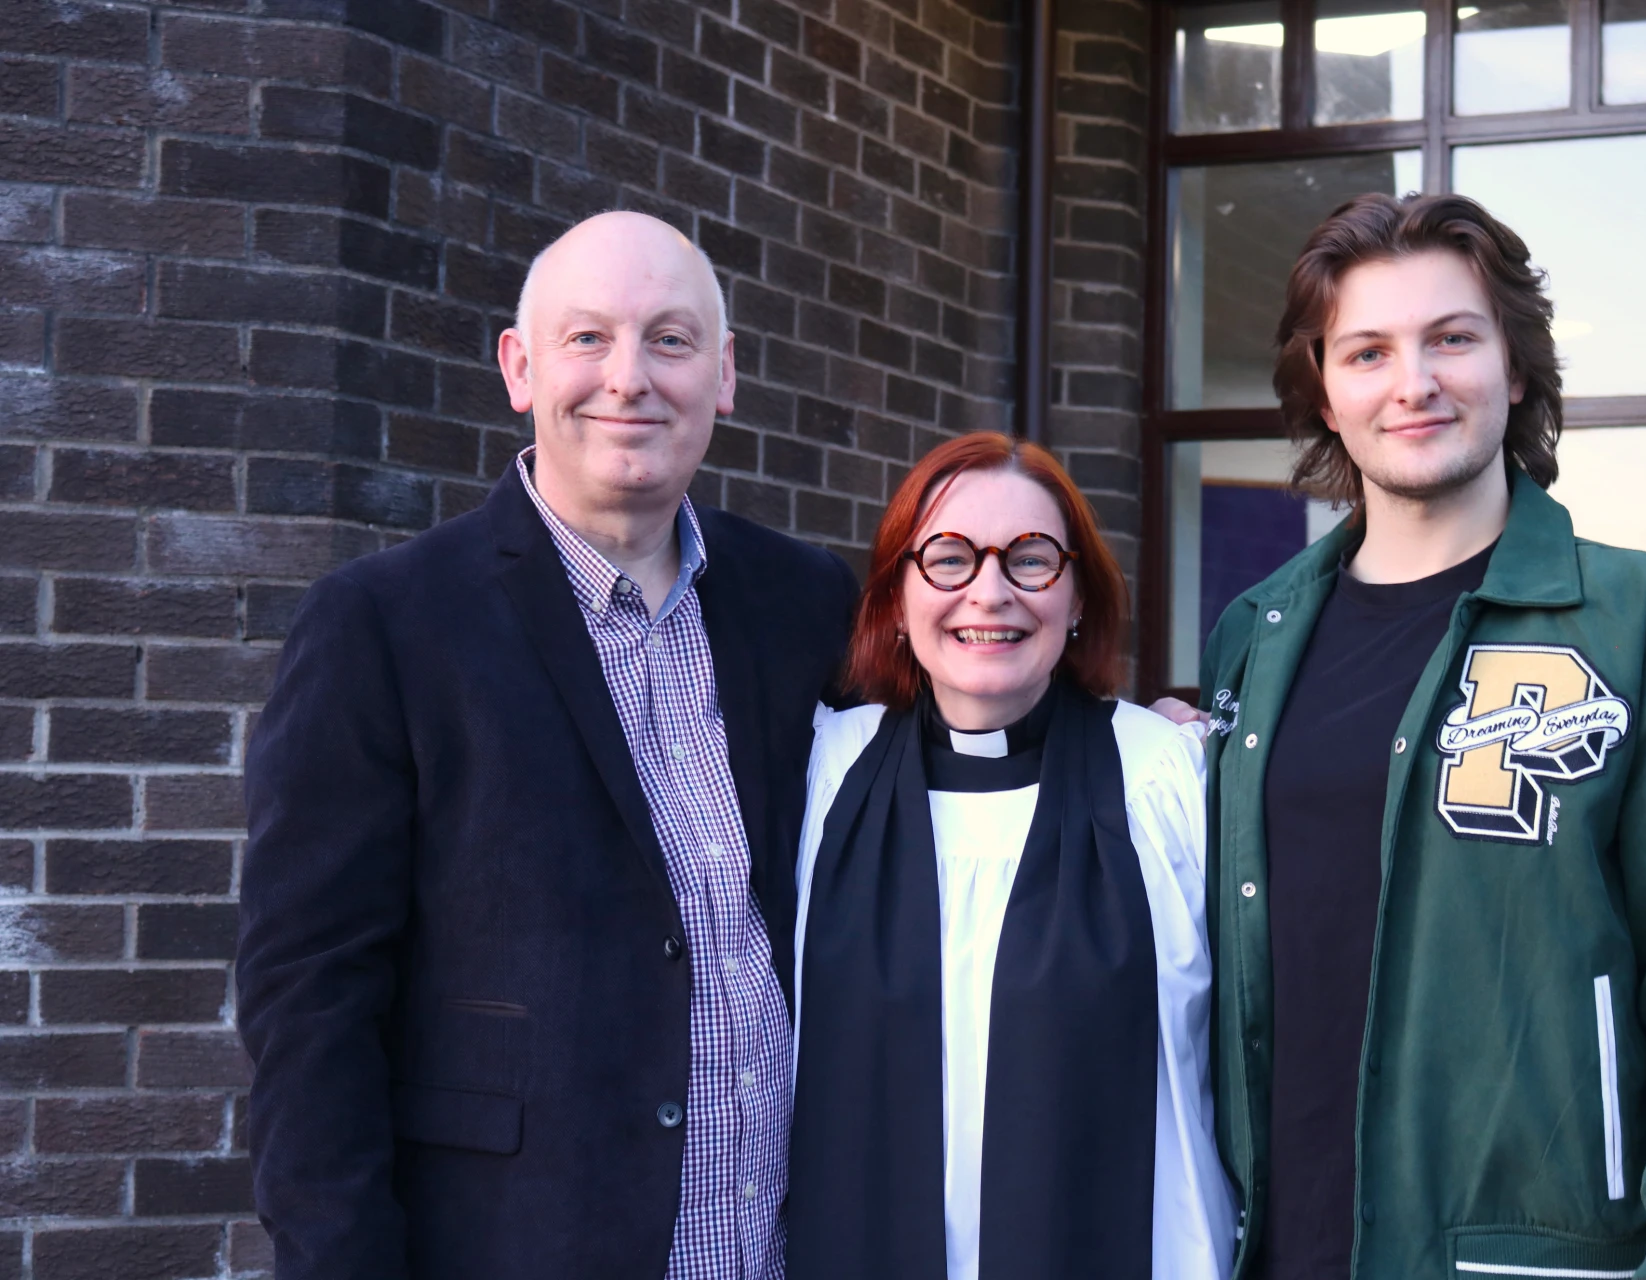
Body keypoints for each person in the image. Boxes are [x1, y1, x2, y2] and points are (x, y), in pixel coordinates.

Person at [237, 212, 858, 1279]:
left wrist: (1132, 734)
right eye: (587, 338)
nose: (630, 378)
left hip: (778, 1246)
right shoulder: (386, 624)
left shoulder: (804, 601)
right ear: (520, 368)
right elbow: (311, 1001)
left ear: (724, 376)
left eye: (671, 339)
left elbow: (948, 753)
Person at [1202, 193, 1646, 1280]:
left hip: (1542, 1258)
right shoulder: (1257, 633)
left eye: (1453, 338)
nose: (1414, 382)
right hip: (1279, 1249)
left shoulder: (1644, 627)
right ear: (1326, 394)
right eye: (1368, 351)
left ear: (1516, 368)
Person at [787, 432, 1235, 1280]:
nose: (988, 593)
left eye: (1030, 559)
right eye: (948, 558)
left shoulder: (1168, 776)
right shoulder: (820, 770)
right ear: (895, 596)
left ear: (1077, 601)